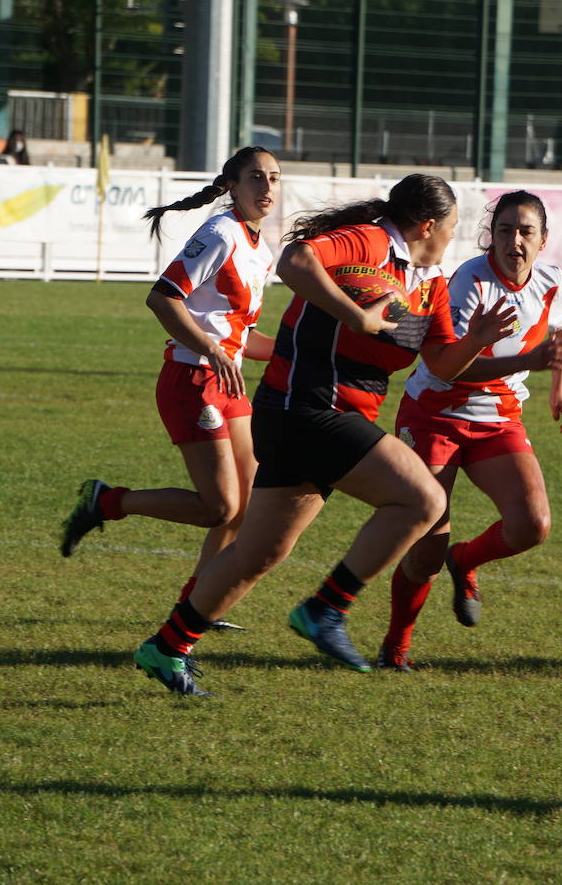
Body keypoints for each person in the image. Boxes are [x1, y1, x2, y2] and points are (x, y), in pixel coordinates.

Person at [132, 173, 516, 696]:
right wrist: (356, 315)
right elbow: (296, 262)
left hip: (331, 414)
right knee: (423, 501)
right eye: (451, 228)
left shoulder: (430, 285)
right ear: (428, 224)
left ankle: (167, 646)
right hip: (303, 405)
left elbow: (445, 366)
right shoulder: (373, 239)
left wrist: (479, 339)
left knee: (259, 553)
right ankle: (326, 609)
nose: (452, 237)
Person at [60, 146, 282, 631]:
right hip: (193, 378)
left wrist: (299, 348)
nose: (266, 187)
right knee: (219, 507)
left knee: (245, 505)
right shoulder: (220, 233)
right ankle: (108, 501)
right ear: (232, 185)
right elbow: (162, 298)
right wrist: (213, 349)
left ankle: (197, 602)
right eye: (255, 177)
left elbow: (241, 335)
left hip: (228, 379)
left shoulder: (261, 248)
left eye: (273, 177)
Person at [378, 190, 562, 671]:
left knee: (533, 525)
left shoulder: (551, 282)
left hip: (499, 418)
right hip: (435, 414)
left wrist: (558, 390)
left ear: (544, 239)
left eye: (526, 230)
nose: (515, 240)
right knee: (427, 544)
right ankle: (396, 648)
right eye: (505, 229)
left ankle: (466, 561)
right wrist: (528, 360)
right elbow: (450, 369)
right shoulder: (468, 282)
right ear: (492, 235)